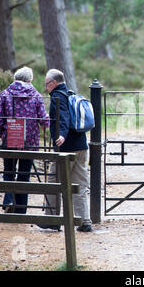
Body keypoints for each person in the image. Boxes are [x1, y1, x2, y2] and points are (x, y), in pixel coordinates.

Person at [41, 69, 92, 232]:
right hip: (82, 146)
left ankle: (52, 219)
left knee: (54, 181)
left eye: (46, 84)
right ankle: (85, 221)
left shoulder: (57, 96)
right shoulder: (71, 93)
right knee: (80, 184)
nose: (46, 88)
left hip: (66, 148)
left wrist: (61, 135)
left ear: (54, 83)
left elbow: (63, 117)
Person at [0, 67, 49, 214]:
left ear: (15, 77)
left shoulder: (5, 94)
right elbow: (44, 120)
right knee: (24, 174)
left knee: (9, 171)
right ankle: (21, 209)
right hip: (29, 142)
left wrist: (3, 133)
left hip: (11, 138)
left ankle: (9, 200)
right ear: (30, 79)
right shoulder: (36, 95)